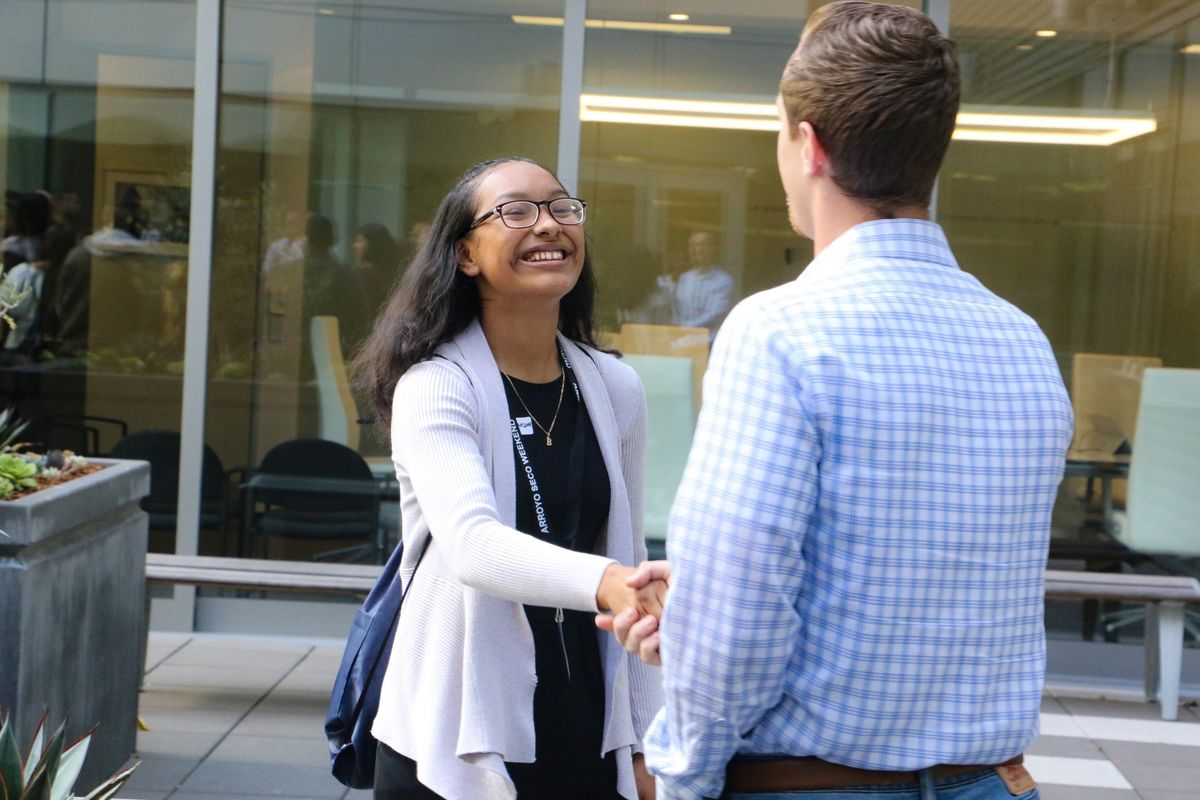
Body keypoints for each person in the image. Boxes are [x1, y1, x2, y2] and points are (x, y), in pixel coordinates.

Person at [610, 4, 1074, 799]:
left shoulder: (778, 332)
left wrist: (681, 768)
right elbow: (923, 572)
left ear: (809, 144)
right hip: (993, 782)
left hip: (812, 783)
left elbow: (738, 631)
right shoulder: (1023, 340)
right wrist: (699, 618)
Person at [353, 156, 666, 800]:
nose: (548, 226)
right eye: (516, 212)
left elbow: (628, 553)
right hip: (455, 729)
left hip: (584, 720)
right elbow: (472, 544)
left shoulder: (615, 387)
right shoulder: (438, 385)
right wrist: (607, 583)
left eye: (561, 208)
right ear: (465, 254)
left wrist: (645, 738)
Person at [671, 231, 733, 339]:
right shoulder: (684, 278)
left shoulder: (723, 281)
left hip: (708, 340)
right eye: (693, 246)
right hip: (682, 337)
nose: (697, 250)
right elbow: (676, 309)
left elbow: (715, 313)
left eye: (702, 245)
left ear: (713, 249)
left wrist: (686, 328)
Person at [352, 222, 402, 312]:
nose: (355, 246)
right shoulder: (395, 273)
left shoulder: (360, 275)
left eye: (360, 241)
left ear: (372, 244)